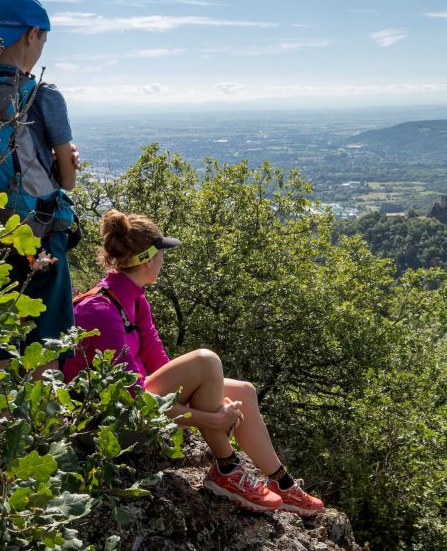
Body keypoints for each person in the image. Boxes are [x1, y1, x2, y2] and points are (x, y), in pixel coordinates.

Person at [63, 209, 324, 517]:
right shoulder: (101, 311)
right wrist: (209, 418)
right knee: (206, 360)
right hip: (103, 428)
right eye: (162, 254)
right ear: (147, 260)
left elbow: (160, 364)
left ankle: (281, 482)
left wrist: (211, 400)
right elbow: (132, 401)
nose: (163, 260)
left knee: (244, 391)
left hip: (132, 409)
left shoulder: (133, 299)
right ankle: (227, 469)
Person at [0, 0, 80, 354]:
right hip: (38, 236)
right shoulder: (44, 96)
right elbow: (68, 181)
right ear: (32, 34)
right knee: (45, 347)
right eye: (43, 39)